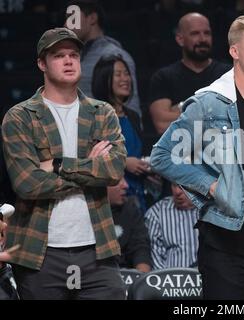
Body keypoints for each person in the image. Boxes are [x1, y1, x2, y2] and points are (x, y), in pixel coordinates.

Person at [150, 13, 244, 300]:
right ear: (235, 51)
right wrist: (209, 186)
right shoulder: (209, 103)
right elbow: (163, 156)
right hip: (225, 245)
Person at [1, 27, 127, 300]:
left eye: (74, 55)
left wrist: (56, 164)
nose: (69, 61)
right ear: (41, 64)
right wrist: (89, 167)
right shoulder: (20, 116)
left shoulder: (101, 112)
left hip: (98, 248)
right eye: (59, 56)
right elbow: (28, 184)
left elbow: (114, 171)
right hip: (40, 252)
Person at [92, 55, 161, 213]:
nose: (125, 79)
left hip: (138, 196)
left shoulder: (133, 116)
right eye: (118, 74)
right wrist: (124, 162)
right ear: (104, 79)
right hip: (113, 201)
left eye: (126, 73)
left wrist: (147, 169)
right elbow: (92, 159)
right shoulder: (96, 116)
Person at [147, 12, 230, 136]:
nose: (203, 39)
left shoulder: (228, 74)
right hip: (180, 152)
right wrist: (214, 113)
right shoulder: (163, 77)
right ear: (180, 39)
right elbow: (162, 124)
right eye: (195, 34)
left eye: (207, 33)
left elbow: (237, 117)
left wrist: (182, 109)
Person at [65, 0, 142, 117]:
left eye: (72, 19)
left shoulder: (116, 55)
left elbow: (131, 106)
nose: (66, 25)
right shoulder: (72, 56)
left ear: (92, 18)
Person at [144, 183, 199, 270]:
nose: (177, 192)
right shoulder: (157, 212)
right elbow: (155, 258)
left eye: (183, 186)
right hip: (171, 280)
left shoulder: (211, 211)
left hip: (206, 278)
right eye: (174, 185)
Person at [108, 178, 151, 273]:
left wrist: (142, 278)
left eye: (124, 179)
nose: (126, 185)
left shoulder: (130, 209)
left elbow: (140, 247)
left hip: (127, 275)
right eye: (118, 181)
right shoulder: (83, 214)